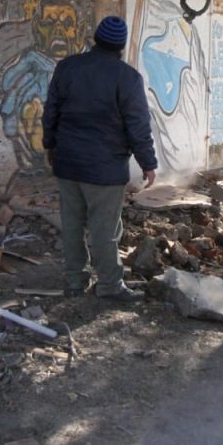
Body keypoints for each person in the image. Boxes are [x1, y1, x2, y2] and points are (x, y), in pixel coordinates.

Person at [42, 15, 158, 301]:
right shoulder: (128, 78)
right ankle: (109, 286)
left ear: (96, 39)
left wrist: (50, 146)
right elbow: (137, 125)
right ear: (120, 46)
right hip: (105, 170)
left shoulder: (67, 68)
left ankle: (74, 282)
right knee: (105, 230)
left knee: (72, 225)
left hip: (68, 163)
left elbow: (51, 112)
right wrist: (148, 163)